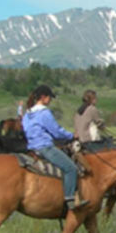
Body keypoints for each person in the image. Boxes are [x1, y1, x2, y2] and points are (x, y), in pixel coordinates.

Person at [22, 84, 89, 212]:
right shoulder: (44, 112)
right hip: (45, 147)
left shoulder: (27, 114)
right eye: (49, 97)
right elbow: (56, 131)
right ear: (43, 97)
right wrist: (71, 136)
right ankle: (70, 200)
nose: (50, 100)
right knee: (70, 168)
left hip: (31, 147)